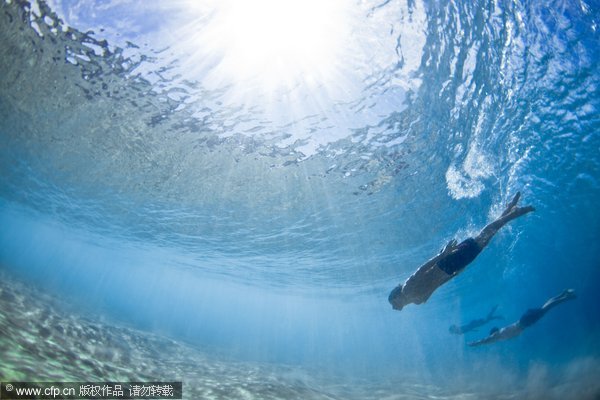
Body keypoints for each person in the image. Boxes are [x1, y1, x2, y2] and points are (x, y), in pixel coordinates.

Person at [388, 192, 534, 311]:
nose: (395, 308)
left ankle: (512, 214)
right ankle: (508, 210)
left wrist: (443, 254)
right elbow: (438, 284)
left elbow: (422, 269)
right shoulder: (418, 301)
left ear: (396, 297)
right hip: (451, 269)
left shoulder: (407, 289)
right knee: (482, 243)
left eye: (393, 304)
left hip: (445, 263)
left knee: (480, 240)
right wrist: (454, 275)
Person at [468, 289, 576, 346]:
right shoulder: (501, 335)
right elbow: (514, 336)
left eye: (492, 336)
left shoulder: (498, 335)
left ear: (493, 333)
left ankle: (566, 297)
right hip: (524, 319)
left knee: (547, 308)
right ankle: (563, 293)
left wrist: (475, 343)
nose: (492, 339)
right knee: (545, 307)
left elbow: (486, 340)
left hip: (526, 321)